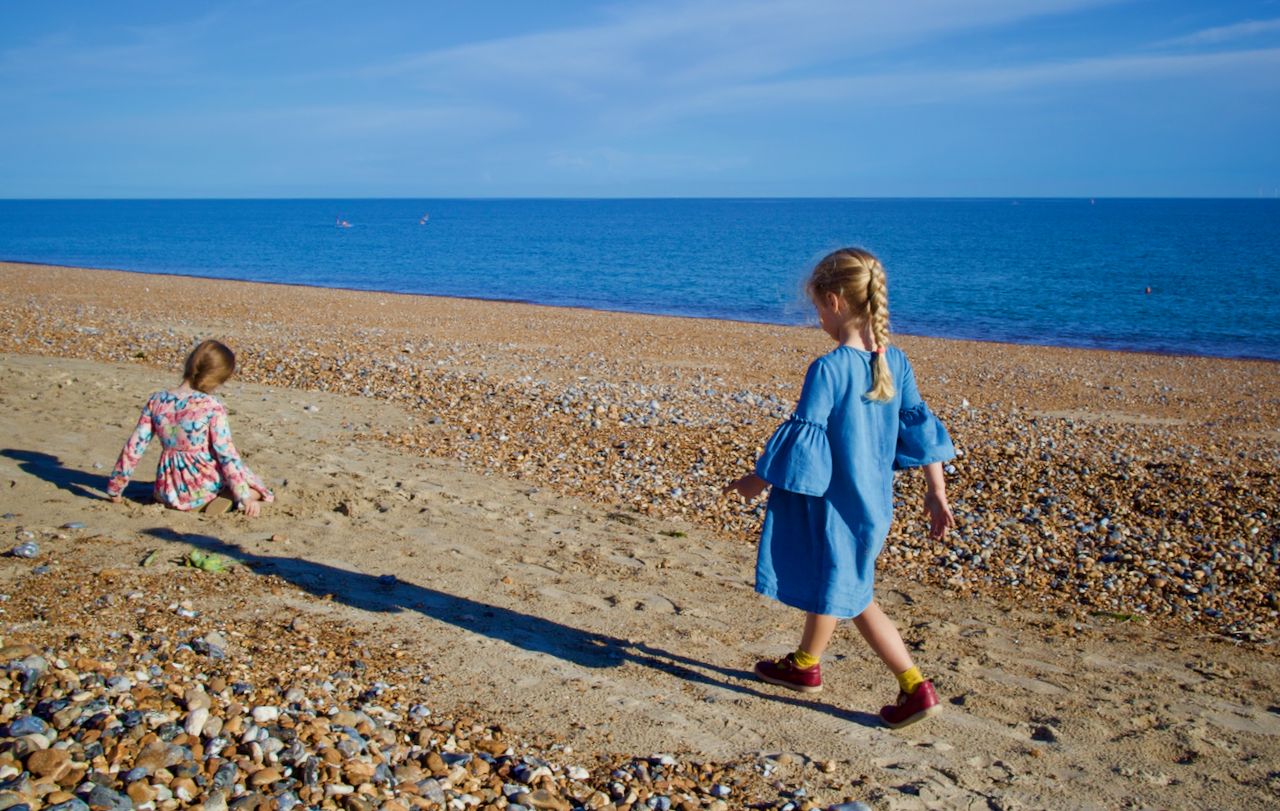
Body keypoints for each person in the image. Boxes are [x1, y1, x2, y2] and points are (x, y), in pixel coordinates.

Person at [723, 247, 956, 729]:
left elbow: (801, 438)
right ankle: (806, 665)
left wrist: (755, 480)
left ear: (833, 302)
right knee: (837, 581)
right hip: (873, 504)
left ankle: (915, 686)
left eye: (817, 310)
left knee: (857, 596)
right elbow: (920, 429)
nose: (819, 321)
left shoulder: (829, 368)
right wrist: (937, 492)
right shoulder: (895, 362)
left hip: (833, 506)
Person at [107, 339, 273, 517]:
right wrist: (244, 496)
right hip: (202, 485)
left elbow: (134, 447)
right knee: (256, 486)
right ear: (217, 377)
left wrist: (115, 487)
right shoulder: (211, 406)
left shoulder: (157, 400)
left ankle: (194, 499)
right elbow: (226, 453)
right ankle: (224, 500)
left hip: (167, 489)